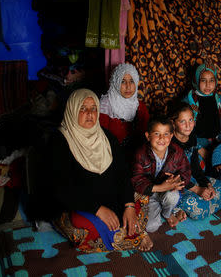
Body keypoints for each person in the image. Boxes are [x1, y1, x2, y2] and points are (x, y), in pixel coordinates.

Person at [36, 89, 152, 253]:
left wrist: (129, 205)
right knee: (79, 228)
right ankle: (130, 236)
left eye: (93, 108)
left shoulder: (106, 137)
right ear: (72, 110)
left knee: (142, 199)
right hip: (78, 203)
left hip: (109, 198)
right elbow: (61, 189)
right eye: (83, 108)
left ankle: (125, 230)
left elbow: (122, 174)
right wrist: (98, 209)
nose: (89, 113)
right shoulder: (59, 141)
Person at [170, 103, 221, 220]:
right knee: (195, 207)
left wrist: (206, 184)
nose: (188, 125)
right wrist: (198, 190)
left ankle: (214, 201)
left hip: (192, 179)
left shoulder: (191, 137)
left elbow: (195, 167)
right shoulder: (170, 144)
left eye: (191, 120)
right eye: (182, 121)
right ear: (173, 123)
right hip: (177, 185)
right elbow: (174, 176)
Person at [131, 117, 190, 232]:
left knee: (173, 196)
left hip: (167, 191)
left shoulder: (177, 151)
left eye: (166, 134)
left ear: (171, 136)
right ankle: (160, 206)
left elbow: (186, 171)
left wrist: (178, 182)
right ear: (148, 136)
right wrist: (160, 187)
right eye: (157, 133)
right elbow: (136, 179)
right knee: (151, 227)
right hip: (148, 193)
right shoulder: (140, 154)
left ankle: (167, 213)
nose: (162, 138)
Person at [183, 61, 221, 161]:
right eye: (203, 80)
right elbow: (182, 130)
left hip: (217, 143)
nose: (208, 85)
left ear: (216, 81)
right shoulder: (188, 101)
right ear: (196, 80)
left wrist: (219, 148)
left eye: (211, 80)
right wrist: (199, 148)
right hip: (195, 144)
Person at [99, 63, 149, 148]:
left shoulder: (140, 107)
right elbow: (101, 138)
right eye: (123, 81)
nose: (128, 86)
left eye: (131, 81)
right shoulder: (105, 105)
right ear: (115, 82)